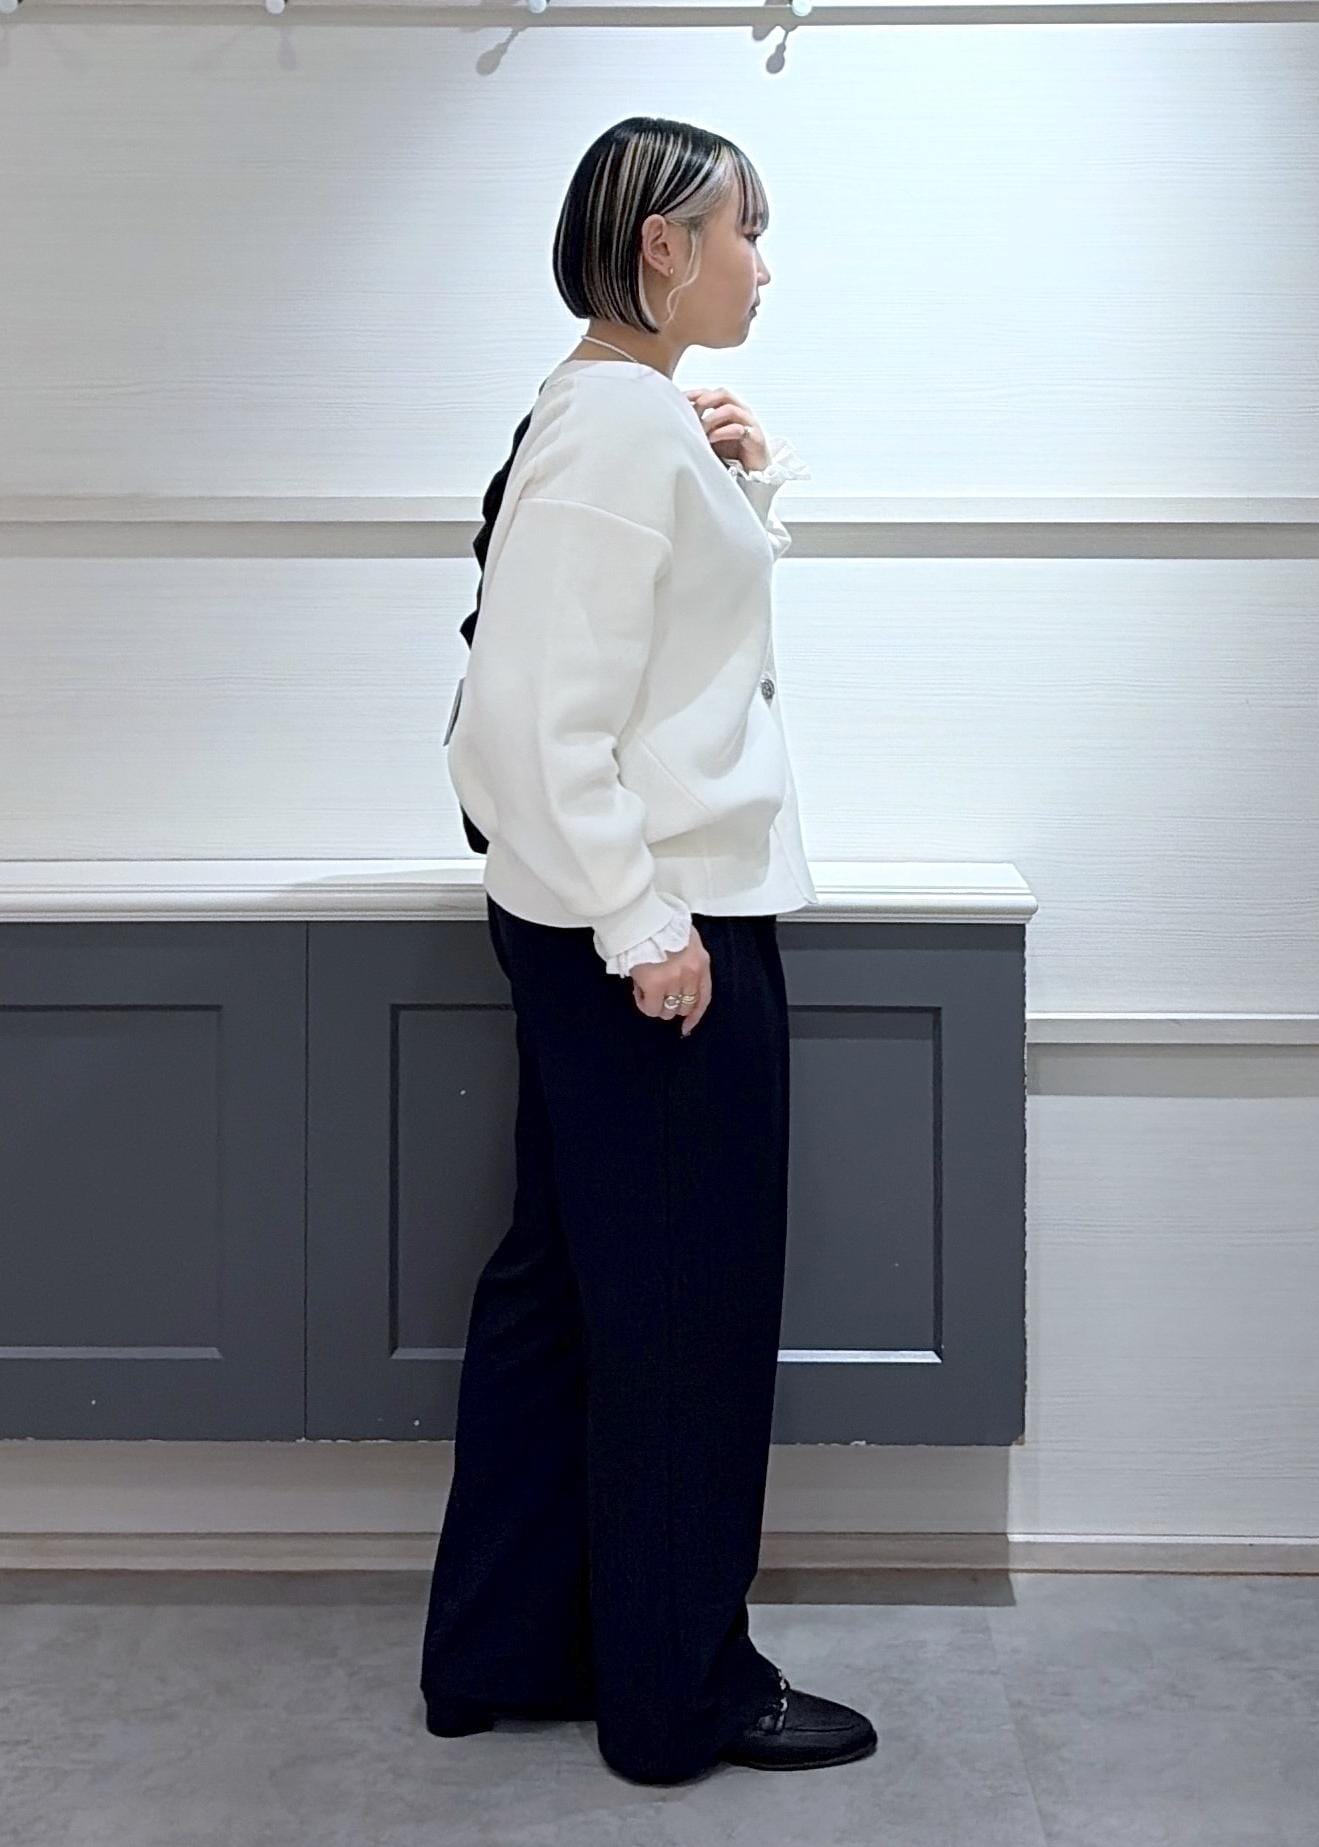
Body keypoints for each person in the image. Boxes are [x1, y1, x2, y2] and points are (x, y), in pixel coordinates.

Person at [419, 114, 877, 1787]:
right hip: (658, 943)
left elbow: (644, 667)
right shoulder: (618, 429)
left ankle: (511, 1649)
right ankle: (679, 1695)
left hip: (612, 930)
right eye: (748, 230)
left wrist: (741, 485)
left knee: (570, 1298)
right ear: (664, 249)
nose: (768, 266)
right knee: (684, 1317)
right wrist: (644, 923)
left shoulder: (613, 414)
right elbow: (531, 717)